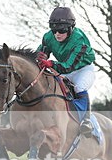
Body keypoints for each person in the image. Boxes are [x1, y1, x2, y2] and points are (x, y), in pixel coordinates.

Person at [35, 7, 97, 137]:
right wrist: (40, 57)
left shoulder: (79, 40)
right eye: (54, 30)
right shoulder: (48, 37)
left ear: (70, 28)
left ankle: (86, 121)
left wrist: (51, 64)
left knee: (79, 87)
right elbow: (42, 52)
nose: (57, 34)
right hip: (63, 67)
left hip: (82, 69)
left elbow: (68, 67)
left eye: (62, 30)